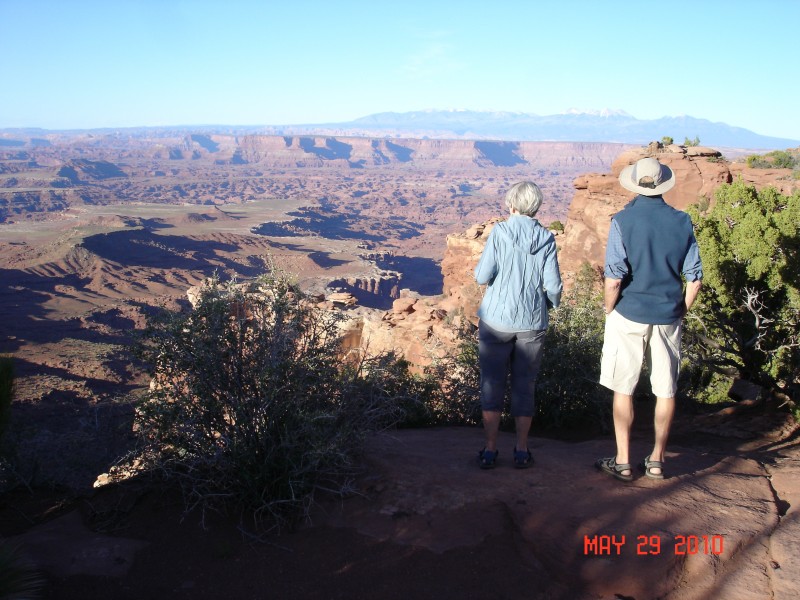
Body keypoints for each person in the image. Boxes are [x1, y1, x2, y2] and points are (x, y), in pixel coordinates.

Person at [595, 156, 703, 482]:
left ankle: (624, 461)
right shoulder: (683, 221)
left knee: (623, 386)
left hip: (628, 313)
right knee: (665, 389)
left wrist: (608, 308)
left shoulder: (622, 221)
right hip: (668, 313)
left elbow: (614, 277)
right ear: (662, 185)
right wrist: (681, 308)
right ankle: (656, 461)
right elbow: (695, 278)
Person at [474, 181, 562, 469]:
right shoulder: (547, 239)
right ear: (536, 207)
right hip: (532, 322)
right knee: (525, 386)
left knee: (492, 382)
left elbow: (482, 276)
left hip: (495, 321)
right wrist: (547, 305)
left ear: (511, 205)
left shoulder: (499, 233)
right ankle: (521, 450)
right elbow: (553, 286)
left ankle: (489, 450)